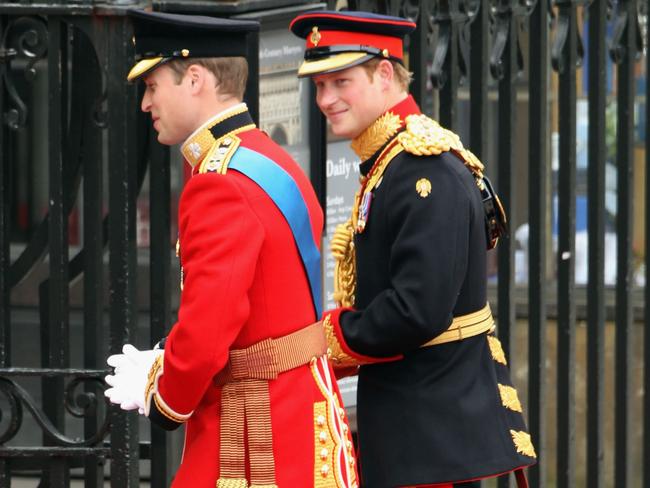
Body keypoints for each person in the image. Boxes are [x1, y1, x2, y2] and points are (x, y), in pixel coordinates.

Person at [104, 10, 357, 488]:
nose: (145, 103)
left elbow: (208, 331)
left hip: (256, 429)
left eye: (154, 85)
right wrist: (166, 358)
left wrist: (163, 391)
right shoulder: (269, 156)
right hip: (300, 411)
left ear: (194, 79)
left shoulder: (219, 185)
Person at [290, 10, 537, 488]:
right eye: (319, 86)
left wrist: (329, 336)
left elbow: (416, 310)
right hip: (420, 425)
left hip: (431, 432)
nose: (325, 99)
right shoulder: (391, 159)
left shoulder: (423, 168)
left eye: (341, 81)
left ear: (385, 73)